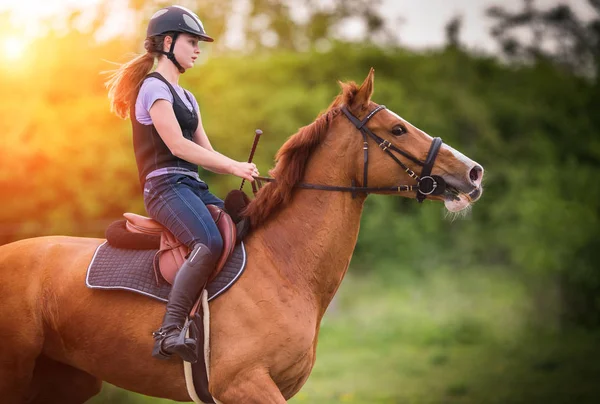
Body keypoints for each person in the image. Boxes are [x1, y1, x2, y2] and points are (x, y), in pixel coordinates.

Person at [104, 5, 258, 363]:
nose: (198, 49)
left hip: (191, 187)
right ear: (168, 42)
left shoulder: (188, 97)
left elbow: (205, 150)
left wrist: (245, 171)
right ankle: (169, 331)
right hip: (164, 187)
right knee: (207, 241)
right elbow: (177, 145)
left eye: (198, 43)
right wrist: (233, 165)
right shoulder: (152, 89)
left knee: (245, 224)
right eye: (192, 42)